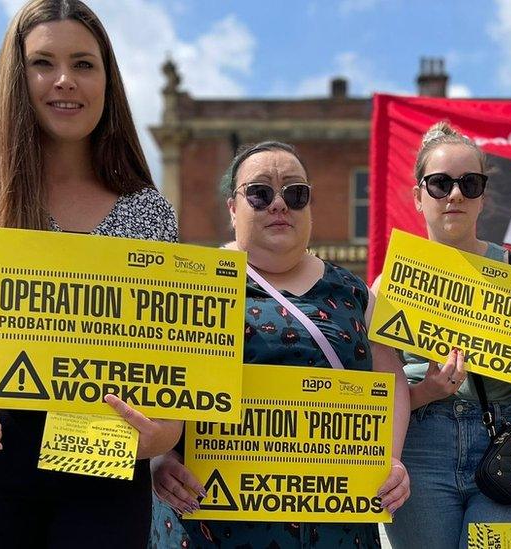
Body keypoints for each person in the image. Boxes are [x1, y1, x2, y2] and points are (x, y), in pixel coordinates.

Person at [0, 1, 182, 547]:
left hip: (102, 439)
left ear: (108, 80)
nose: (65, 80)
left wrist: (167, 433)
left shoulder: (149, 212)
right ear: (14, 77)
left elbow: (172, 359)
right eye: (43, 63)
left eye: (84, 64)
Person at [148, 141, 411, 548]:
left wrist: (391, 459)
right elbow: (155, 383)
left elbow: (390, 380)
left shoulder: (354, 293)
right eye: (260, 192)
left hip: (335, 526)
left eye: (295, 193)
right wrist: (159, 457)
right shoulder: (193, 283)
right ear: (233, 208)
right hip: (212, 524)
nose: (278, 204)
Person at [378, 122, 511, 549]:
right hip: (420, 447)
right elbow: (383, 394)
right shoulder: (386, 287)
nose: (455, 195)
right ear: (417, 196)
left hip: (506, 447)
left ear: (483, 195)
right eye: (439, 183)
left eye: (470, 183)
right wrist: (426, 392)